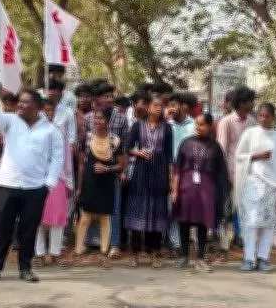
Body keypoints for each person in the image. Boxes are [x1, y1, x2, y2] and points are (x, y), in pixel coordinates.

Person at [0, 89, 64, 284]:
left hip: (36, 188)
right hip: (8, 185)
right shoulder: (11, 120)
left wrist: (49, 184)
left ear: (36, 106)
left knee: (29, 229)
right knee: (3, 228)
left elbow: (57, 159)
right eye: (19, 101)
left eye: (25, 102)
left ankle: (25, 268)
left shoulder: (51, 130)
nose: (20, 104)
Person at [235, 103, 276, 272]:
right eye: (260, 115)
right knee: (251, 222)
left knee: (268, 223)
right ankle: (248, 258)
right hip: (253, 183)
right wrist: (256, 156)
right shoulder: (250, 134)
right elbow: (239, 156)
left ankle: (263, 258)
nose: (263, 119)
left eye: (267, 116)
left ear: (273, 117)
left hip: (273, 185)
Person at [172, 113, 226, 273]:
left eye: (202, 124)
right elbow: (177, 169)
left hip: (206, 190)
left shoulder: (215, 147)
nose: (198, 127)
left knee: (203, 223)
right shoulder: (186, 143)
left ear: (209, 126)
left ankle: (200, 258)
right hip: (186, 188)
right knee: (184, 221)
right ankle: (184, 256)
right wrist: (174, 190)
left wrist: (219, 193)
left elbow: (221, 172)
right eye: (196, 124)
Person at [125, 93, 173, 269]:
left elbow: (169, 155)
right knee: (138, 212)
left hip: (159, 172)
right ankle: (135, 254)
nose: (158, 108)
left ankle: (155, 254)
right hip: (141, 172)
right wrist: (137, 152)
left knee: (157, 213)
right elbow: (127, 147)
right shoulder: (138, 125)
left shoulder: (167, 128)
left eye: (161, 106)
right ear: (148, 107)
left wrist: (170, 178)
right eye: (155, 105)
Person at [74, 108, 126, 268]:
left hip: (107, 182)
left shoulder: (115, 140)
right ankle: (78, 251)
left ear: (108, 121)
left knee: (105, 217)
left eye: (101, 118)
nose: (97, 121)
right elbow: (82, 164)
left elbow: (121, 165)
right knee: (85, 216)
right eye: (95, 118)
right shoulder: (88, 138)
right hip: (89, 181)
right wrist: (79, 187)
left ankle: (104, 253)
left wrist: (107, 168)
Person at [83, 81, 129, 259]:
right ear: (97, 99)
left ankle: (115, 244)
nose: (110, 99)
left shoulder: (121, 118)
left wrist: (122, 170)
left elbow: (125, 147)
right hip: (93, 169)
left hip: (113, 168)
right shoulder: (88, 118)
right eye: (106, 96)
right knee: (91, 205)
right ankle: (91, 241)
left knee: (114, 207)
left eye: (111, 96)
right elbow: (84, 145)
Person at [215, 86, 256, 261]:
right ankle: (223, 248)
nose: (253, 104)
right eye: (250, 101)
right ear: (242, 103)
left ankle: (247, 248)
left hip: (248, 174)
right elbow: (222, 150)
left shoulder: (252, 121)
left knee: (246, 211)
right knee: (227, 212)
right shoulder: (226, 122)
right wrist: (226, 175)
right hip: (230, 174)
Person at [34, 100, 74, 268]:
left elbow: (67, 158)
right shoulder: (34, 132)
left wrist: (69, 181)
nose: (48, 114)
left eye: (51, 111)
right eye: (45, 111)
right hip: (36, 179)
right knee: (37, 217)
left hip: (58, 178)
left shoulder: (60, 132)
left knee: (57, 218)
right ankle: (39, 254)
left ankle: (55, 253)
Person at [166, 93, 197, 255]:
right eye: (169, 105)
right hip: (169, 168)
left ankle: (183, 241)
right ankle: (173, 242)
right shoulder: (167, 124)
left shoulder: (194, 124)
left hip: (188, 170)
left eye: (174, 105)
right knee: (170, 205)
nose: (172, 108)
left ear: (183, 106)